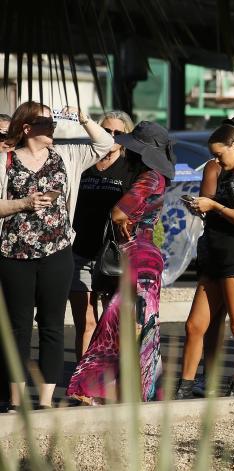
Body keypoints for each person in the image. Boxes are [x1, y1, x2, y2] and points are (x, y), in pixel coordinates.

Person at [0, 102, 113, 411]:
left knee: (51, 325)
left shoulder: (67, 155)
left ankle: (47, 401)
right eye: (46, 123)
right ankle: (16, 400)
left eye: (53, 122)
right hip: (14, 253)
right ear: (27, 128)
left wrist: (84, 118)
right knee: (18, 327)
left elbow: (104, 143)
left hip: (57, 252)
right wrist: (24, 204)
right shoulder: (5, 160)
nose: (52, 127)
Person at [67, 121, 173, 404]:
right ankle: (137, 391)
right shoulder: (157, 176)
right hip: (146, 256)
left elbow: (118, 213)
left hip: (136, 256)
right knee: (137, 324)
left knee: (119, 323)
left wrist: (124, 220)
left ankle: (100, 388)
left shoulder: (148, 177)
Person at [176, 125, 234, 398]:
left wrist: (215, 205)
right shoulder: (227, 176)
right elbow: (225, 214)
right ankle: (186, 384)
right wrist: (203, 207)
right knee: (194, 325)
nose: (216, 161)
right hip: (214, 258)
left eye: (219, 154)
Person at [68, 111, 137, 362]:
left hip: (114, 256)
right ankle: (83, 384)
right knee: (85, 322)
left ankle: (112, 381)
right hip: (80, 252)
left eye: (118, 133)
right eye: (106, 131)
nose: (111, 136)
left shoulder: (131, 169)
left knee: (114, 324)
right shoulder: (84, 164)